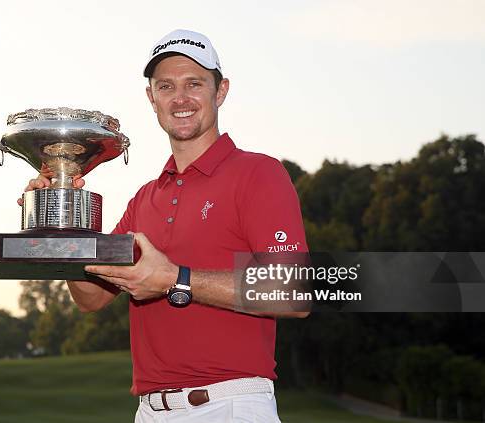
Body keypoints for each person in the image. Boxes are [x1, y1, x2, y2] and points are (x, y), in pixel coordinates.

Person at [21, 29, 309, 422]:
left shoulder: (258, 173)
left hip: (229, 405)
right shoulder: (145, 198)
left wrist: (177, 279)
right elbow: (89, 298)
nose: (180, 98)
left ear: (220, 91)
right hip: (150, 411)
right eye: (166, 86)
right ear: (151, 98)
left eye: (195, 84)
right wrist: (64, 216)